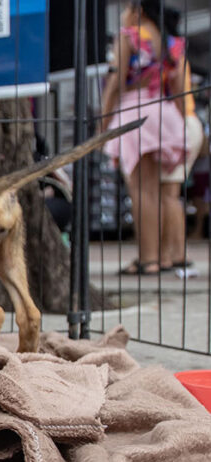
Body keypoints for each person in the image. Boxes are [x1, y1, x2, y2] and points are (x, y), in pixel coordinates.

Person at [101, 1, 188, 275]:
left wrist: (103, 120)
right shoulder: (170, 41)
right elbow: (176, 85)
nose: (124, 13)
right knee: (156, 191)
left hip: (134, 111)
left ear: (138, 9)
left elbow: (116, 82)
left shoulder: (130, 36)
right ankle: (161, 257)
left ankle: (146, 259)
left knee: (140, 190)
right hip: (163, 110)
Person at [155, 6, 204, 272]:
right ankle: (168, 255)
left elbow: (175, 93)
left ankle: (177, 255)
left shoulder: (172, 53)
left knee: (170, 195)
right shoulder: (176, 51)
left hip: (182, 123)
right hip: (187, 123)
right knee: (168, 194)